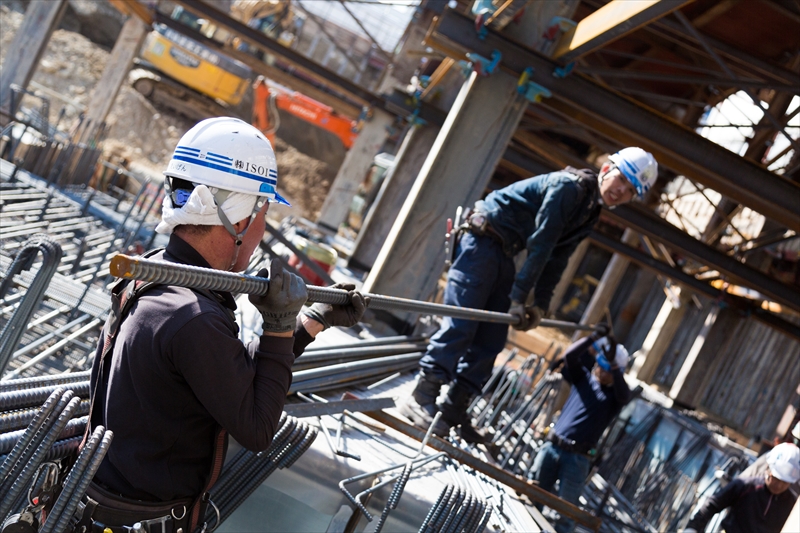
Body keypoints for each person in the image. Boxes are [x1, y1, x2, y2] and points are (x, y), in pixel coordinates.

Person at [82, 117, 367, 532]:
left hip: (108, 508)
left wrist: (308, 323)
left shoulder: (158, 273)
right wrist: (277, 324)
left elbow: (225, 375)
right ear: (239, 219)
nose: (260, 233)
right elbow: (255, 426)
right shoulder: (192, 316)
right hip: (141, 520)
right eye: (262, 217)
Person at [400, 148, 657, 442]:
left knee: (491, 338)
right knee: (463, 323)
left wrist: (541, 305)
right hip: (480, 241)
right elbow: (542, 243)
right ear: (606, 169)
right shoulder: (568, 188)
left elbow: (559, 258)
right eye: (622, 179)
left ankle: (452, 409)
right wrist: (520, 296)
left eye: (630, 190)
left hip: (502, 251)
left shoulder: (588, 211)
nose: (621, 190)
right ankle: (422, 395)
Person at [530, 334, 632, 533]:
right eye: (600, 366)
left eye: (607, 370)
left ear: (615, 373)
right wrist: (591, 338)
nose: (601, 372)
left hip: (577, 460)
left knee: (566, 514)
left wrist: (614, 364)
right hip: (552, 447)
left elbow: (625, 394)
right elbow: (570, 356)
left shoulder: (613, 398)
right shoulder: (583, 379)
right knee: (533, 495)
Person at [684, 442, 800, 533]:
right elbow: (713, 504)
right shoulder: (746, 486)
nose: (779, 486)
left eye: (785, 482)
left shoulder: (791, 505)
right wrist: (692, 528)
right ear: (768, 468)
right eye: (776, 478)